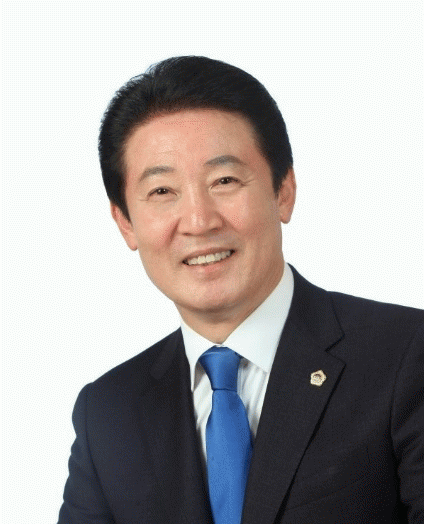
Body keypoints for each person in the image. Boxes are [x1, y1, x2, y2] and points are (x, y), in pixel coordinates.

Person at [58, 56, 423, 524]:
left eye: (224, 180)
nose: (198, 221)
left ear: (283, 190)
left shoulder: (405, 356)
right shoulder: (109, 413)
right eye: (163, 191)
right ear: (125, 222)